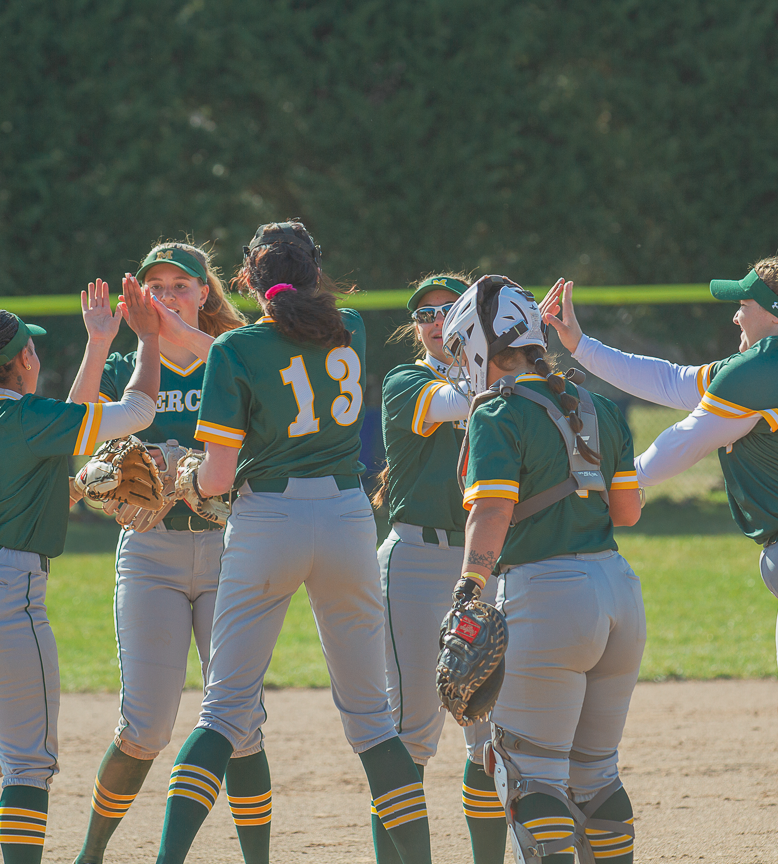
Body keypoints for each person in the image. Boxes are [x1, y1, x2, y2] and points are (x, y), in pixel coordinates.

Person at [544, 258, 778, 864]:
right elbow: (674, 382)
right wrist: (581, 346)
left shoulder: (773, 367)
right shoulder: (777, 361)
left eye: (743, 303)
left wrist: (615, 491)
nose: (734, 313)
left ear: (773, 313)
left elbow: (685, 439)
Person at [149, 220, 432, 864]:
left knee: (223, 712)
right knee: (373, 721)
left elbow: (218, 475)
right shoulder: (352, 329)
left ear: (245, 280)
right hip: (348, 520)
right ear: (315, 274)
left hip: (269, 520)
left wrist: (184, 478)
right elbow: (280, 342)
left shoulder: (234, 353)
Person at [0, 285, 163, 864]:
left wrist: (100, 342)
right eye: (35, 350)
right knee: (28, 765)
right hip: (7, 600)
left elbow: (68, 425)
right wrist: (148, 337)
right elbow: (139, 411)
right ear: (25, 359)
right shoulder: (27, 418)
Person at [65, 244, 274, 864]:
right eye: (154, 285)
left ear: (205, 292)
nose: (166, 295)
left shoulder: (233, 356)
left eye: (180, 285)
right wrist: (100, 341)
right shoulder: (131, 364)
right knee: (146, 726)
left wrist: (198, 468)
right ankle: (91, 854)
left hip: (230, 550)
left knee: (239, 723)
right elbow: (75, 430)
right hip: (150, 552)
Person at [442, 276, 644, 864]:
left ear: (481, 346)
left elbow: (492, 510)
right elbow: (626, 511)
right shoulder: (600, 405)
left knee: (532, 776)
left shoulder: (496, 410)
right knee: (596, 776)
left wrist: (467, 589)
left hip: (546, 595)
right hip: (618, 595)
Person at [371, 273, 507, 864]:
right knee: (411, 730)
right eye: (423, 312)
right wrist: (515, 365)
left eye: (449, 310)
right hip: (418, 563)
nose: (434, 320)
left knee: (491, 736)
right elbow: (456, 402)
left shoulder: (503, 380)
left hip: (491, 562)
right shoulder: (407, 381)